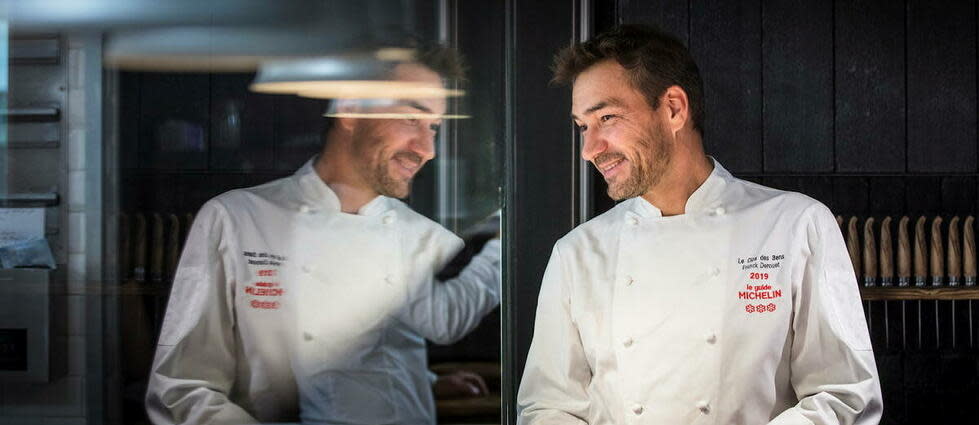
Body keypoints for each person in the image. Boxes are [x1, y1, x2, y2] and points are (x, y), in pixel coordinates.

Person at [517, 24, 882, 424]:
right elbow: (548, 408)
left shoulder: (797, 225)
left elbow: (845, 396)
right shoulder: (576, 254)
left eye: (607, 117)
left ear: (674, 108)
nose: (589, 150)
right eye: (582, 126)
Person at [146, 45, 501, 425]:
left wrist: (421, 383)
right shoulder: (236, 219)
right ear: (350, 110)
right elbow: (182, 390)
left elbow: (373, 348)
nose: (428, 150)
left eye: (434, 127)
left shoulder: (410, 229)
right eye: (411, 118)